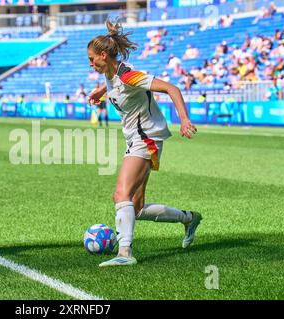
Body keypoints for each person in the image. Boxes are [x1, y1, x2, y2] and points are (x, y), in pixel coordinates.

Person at [87, 20, 202, 267]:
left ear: (104, 55)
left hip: (146, 138)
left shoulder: (129, 75)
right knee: (136, 207)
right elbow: (115, 87)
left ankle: (125, 253)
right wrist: (100, 92)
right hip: (138, 138)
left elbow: (171, 89)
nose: (90, 63)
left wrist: (183, 120)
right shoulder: (111, 74)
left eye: (92, 59)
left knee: (121, 194)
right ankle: (188, 218)